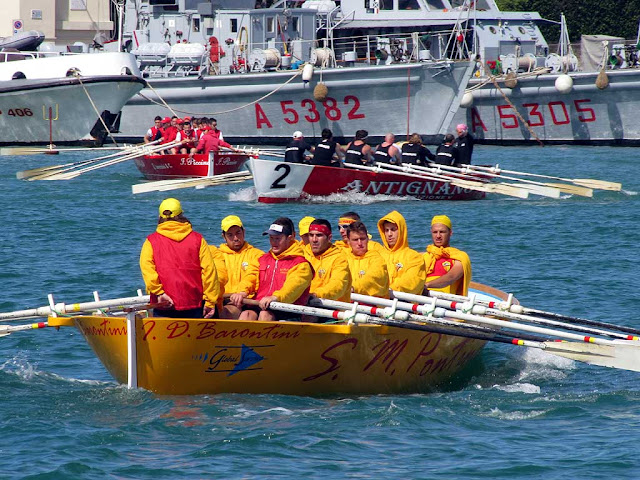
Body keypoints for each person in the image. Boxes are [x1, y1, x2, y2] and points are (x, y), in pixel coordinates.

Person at [140, 198, 220, 319]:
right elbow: (209, 271)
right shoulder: (198, 239)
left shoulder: (151, 241)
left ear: (160, 216)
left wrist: (159, 292)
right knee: (192, 338)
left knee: (165, 337)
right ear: (181, 215)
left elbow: (147, 269)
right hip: (193, 303)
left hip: (163, 303)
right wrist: (210, 301)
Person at [229, 217, 313, 321]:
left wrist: (275, 297)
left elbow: (293, 287)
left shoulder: (301, 264)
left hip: (287, 310)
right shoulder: (262, 259)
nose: (273, 242)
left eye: (277, 238)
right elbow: (251, 277)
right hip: (262, 305)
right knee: (246, 314)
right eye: (271, 238)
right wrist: (242, 292)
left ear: (290, 237)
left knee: (265, 315)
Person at [217, 215, 264, 319]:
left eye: (238, 233)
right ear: (223, 236)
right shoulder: (216, 255)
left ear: (244, 232)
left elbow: (253, 276)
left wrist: (241, 293)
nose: (236, 238)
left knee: (246, 315)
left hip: (248, 300)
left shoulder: (257, 254)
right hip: (225, 299)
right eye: (230, 235)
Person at [377, 210, 426, 295]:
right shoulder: (377, 255)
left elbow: (412, 282)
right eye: (386, 230)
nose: (389, 234)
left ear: (401, 230)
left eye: (393, 230)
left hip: (403, 302)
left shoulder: (415, 257)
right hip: (380, 299)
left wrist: (389, 289)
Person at [304, 219, 352, 303]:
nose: (314, 240)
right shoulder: (302, 253)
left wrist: (315, 294)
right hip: (305, 301)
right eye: (311, 235)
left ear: (329, 238)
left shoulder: (339, 258)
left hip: (329, 305)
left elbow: (338, 285)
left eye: (319, 235)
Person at [423, 215, 472, 296]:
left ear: (450, 233)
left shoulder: (460, 257)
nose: (438, 236)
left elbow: (451, 277)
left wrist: (427, 285)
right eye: (435, 232)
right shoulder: (424, 256)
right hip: (423, 300)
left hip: (446, 303)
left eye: (442, 232)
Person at [345, 221, 390, 299]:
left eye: (362, 239)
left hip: (373, 305)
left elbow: (373, 278)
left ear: (368, 239)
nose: (359, 243)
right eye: (355, 240)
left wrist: (353, 288)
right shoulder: (343, 259)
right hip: (349, 303)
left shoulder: (377, 259)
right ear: (348, 242)